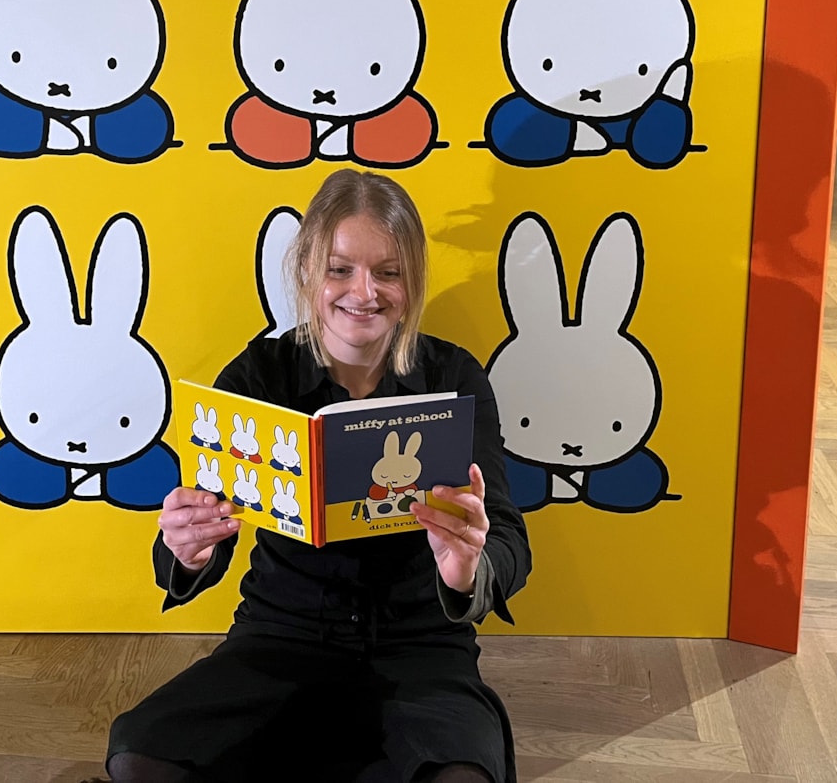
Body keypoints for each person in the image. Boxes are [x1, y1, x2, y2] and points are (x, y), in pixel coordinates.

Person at [103, 170, 532, 783]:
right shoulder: (258, 377)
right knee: (140, 755)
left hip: (422, 649)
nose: (365, 292)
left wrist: (469, 570)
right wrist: (185, 549)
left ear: (411, 279)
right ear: (307, 272)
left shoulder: (455, 379)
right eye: (340, 269)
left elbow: (512, 542)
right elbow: (197, 537)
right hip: (282, 637)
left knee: (464, 777)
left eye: (388, 271)